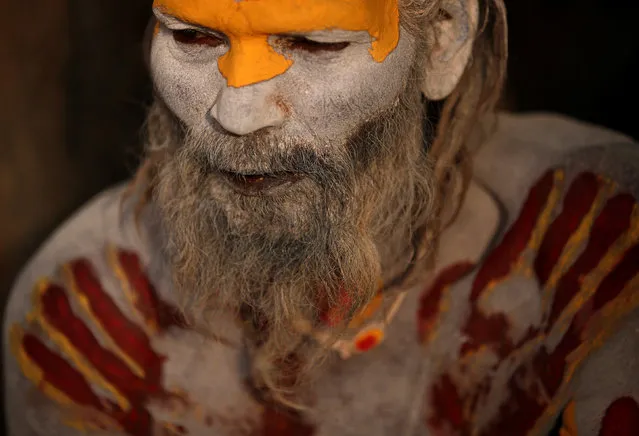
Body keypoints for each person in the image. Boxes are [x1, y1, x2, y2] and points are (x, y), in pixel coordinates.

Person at [4, 0, 639, 435]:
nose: (238, 113)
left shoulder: (597, 242)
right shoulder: (86, 314)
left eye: (316, 43)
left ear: (444, 38)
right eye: (194, 37)